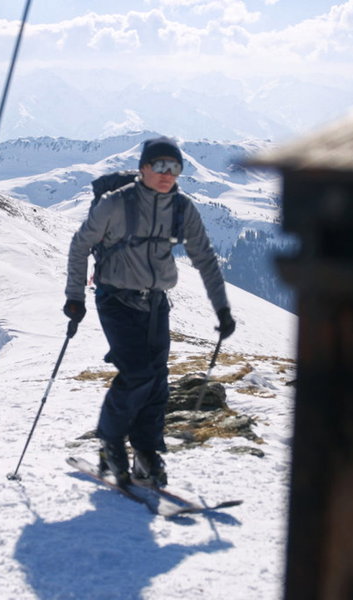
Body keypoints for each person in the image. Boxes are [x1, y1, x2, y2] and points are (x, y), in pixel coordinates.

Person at [63, 136, 236, 488]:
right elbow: (80, 244)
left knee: (157, 382)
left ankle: (145, 452)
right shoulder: (115, 204)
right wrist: (75, 296)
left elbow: (204, 258)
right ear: (143, 168)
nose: (167, 173)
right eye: (159, 165)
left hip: (157, 303)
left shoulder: (182, 209)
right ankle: (110, 445)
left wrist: (222, 308)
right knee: (138, 373)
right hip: (116, 298)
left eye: (174, 167)